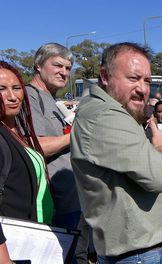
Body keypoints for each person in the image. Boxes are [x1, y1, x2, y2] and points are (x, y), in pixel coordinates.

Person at [71, 42, 162, 263]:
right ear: (105, 75)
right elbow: (158, 177)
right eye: (133, 78)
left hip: (145, 251)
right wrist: (160, 149)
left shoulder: (115, 112)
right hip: (139, 254)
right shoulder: (105, 116)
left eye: (147, 80)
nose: (143, 89)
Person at [26, 43, 88, 262]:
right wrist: (76, 136)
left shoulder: (51, 99)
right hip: (54, 206)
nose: (64, 72)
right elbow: (36, 146)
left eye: (68, 68)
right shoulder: (29, 96)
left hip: (72, 201)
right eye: (58, 65)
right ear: (38, 65)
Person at [0, 61, 50, 262]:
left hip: (33, 243)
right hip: (10, 249)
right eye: (1, 89)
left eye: (16, 88)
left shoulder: (15, 132)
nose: (12, 97)